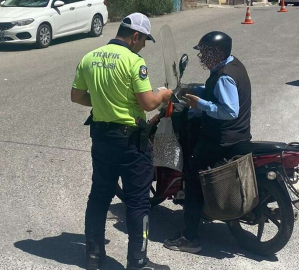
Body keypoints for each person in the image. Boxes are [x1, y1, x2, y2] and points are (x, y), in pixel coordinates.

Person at [71, 13, 172, 270]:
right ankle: (137, 261)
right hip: (130, 143)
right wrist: (164, 94)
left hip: (102, 138)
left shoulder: (89, 57)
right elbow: (148, 103)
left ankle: (93, 256)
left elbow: (77, 96)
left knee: (99, 195)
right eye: (144, 40)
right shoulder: (134, 62)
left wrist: (105, 102)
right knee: (138, 201)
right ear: (135, 36)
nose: (144, 46)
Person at [163, 31, 253, 253]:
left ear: (217, 53)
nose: (202, 57)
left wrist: (199, 104)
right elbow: (218, 94)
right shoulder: (233, 66)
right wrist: (195, 90)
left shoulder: (224, 76)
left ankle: (190, 238)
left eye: (205, 52)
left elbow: (229, 110)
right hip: (239, 136)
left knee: (193, 176)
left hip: (221, 139)